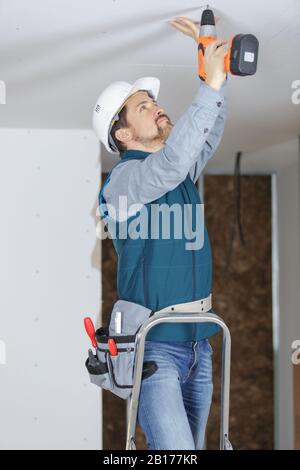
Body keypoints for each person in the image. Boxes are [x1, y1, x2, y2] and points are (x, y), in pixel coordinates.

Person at [93, 17, 228, 450]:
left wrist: (213, 81)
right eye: (142, 106)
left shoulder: (177, 171)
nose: (156, 106)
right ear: (124, 133)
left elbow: (202, 138)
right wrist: (208, 88)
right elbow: (169, 164)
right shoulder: (123, 185)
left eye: (154, 100)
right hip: (155, 350)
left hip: (199, 343)